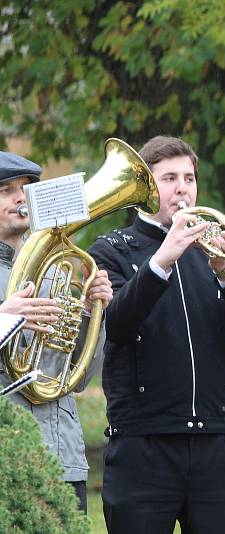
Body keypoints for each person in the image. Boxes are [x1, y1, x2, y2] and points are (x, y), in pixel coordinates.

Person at [87, 136, 225, 534]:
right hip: (143, 444)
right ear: (145, 188)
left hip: (216, 443)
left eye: (189, 178)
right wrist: (161, 261)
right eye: (169, 178)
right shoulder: (112, 249)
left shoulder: (214, 252)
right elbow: (118, 326)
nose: (182, 188)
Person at [0, 150, 113, 512]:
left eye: (25, 189)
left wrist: (94, 311)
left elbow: (77, 379)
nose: (20, 198)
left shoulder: (54, 270)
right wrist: (5, 317)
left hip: (62, 457)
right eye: (5, 190)